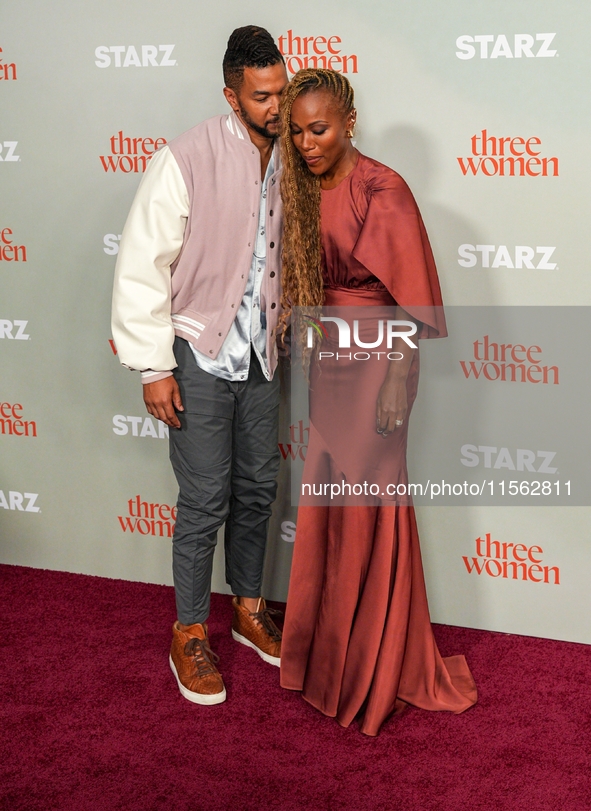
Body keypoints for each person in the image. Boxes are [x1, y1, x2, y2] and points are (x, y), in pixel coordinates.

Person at [278, 69, 477, 736]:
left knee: (367, 504)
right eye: (298, 130)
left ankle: (369, 666)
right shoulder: (304, 184)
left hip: (377, 365)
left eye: (320, 128)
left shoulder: (380, 187)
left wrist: (398, 375)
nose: (307, 142)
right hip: (328, 359)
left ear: (350, 120)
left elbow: (409, 297)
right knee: (330, 499)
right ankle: (328, 659)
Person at [111, 26, 288, 705]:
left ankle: (247, 608)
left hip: (262, 355)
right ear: (231, 94)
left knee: (255, 489)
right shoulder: (185, 156)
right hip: (198, 353)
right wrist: (154, 366)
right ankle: (188, 630)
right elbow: (141, 263)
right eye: (262, 96)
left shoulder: (293, 157)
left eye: (281, 90)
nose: (275, 106)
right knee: (205, 497)